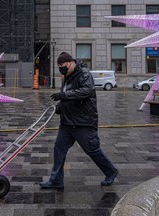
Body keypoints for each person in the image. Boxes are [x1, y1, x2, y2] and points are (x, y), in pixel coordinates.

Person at [39, 52, 118, 189]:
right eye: (59, 66)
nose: (61, 69)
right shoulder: (67, 77)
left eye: (62, 65)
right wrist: (60, 107)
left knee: (92, 149)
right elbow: (68, 96)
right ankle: (56, 180)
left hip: (83, 121)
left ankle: (110, 171)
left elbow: (86, 91)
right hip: (67, 122)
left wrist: (63, 96)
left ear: (70, 62)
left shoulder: (84, 74)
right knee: (59, 149)